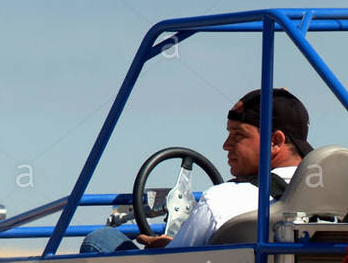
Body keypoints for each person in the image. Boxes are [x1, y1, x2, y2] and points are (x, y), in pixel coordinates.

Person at [81, 88, 312, 253]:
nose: (225, 145)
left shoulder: (224, 200)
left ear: (275, 141)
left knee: (102, 239)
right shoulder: (333, 201)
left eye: (238, 134)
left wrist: (165, 248)